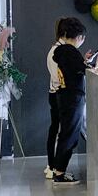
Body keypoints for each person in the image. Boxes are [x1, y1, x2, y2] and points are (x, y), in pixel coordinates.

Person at [50, 18, 91, 185]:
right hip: (73, 97)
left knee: (66, 134)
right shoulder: (70, 51)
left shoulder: (60, 51)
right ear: (78, 36)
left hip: (64, 95)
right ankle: (60, 173)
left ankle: (58, 171)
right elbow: (82, 69)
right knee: (70, 135)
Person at [44, 19, 65, 180]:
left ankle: (51, 165)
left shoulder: (55, 49)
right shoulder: (58, 51)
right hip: (58, 94)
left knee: (55, 130)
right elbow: (59, 77)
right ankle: (53, 166)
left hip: (54, 93)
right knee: (57, 131)